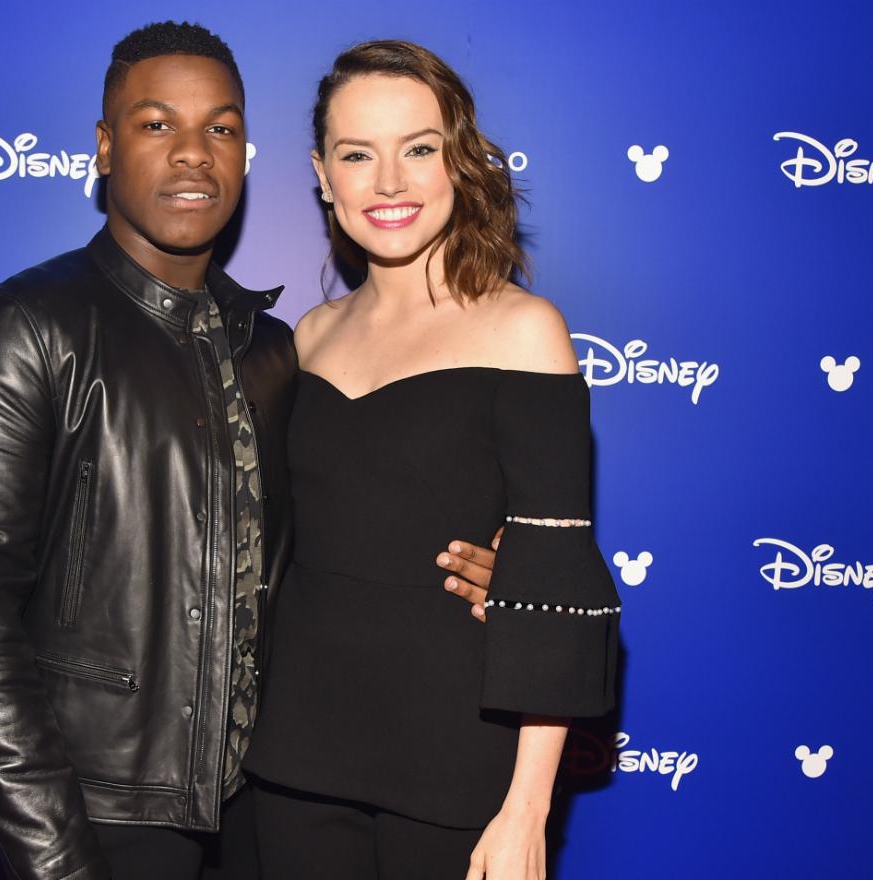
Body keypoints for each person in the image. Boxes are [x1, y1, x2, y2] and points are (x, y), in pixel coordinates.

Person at [0, 23, 497, 880]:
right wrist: (56, 857)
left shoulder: (268, 349)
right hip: (103, 809)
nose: (194, 154)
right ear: (106, 147)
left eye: (221, 128)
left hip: (263, 810)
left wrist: (510, 567)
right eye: (158, 125)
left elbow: (338, 534)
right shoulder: (25, 327)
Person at [242, 40, 623, 880]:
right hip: (296, 756)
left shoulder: (524, 330)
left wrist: (527, 810)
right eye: (357, 154)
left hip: (458, 766)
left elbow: (558, 586)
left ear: (459, 159)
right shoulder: (308, 338)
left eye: (418, 148)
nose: (389, 182)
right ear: (321, 173)